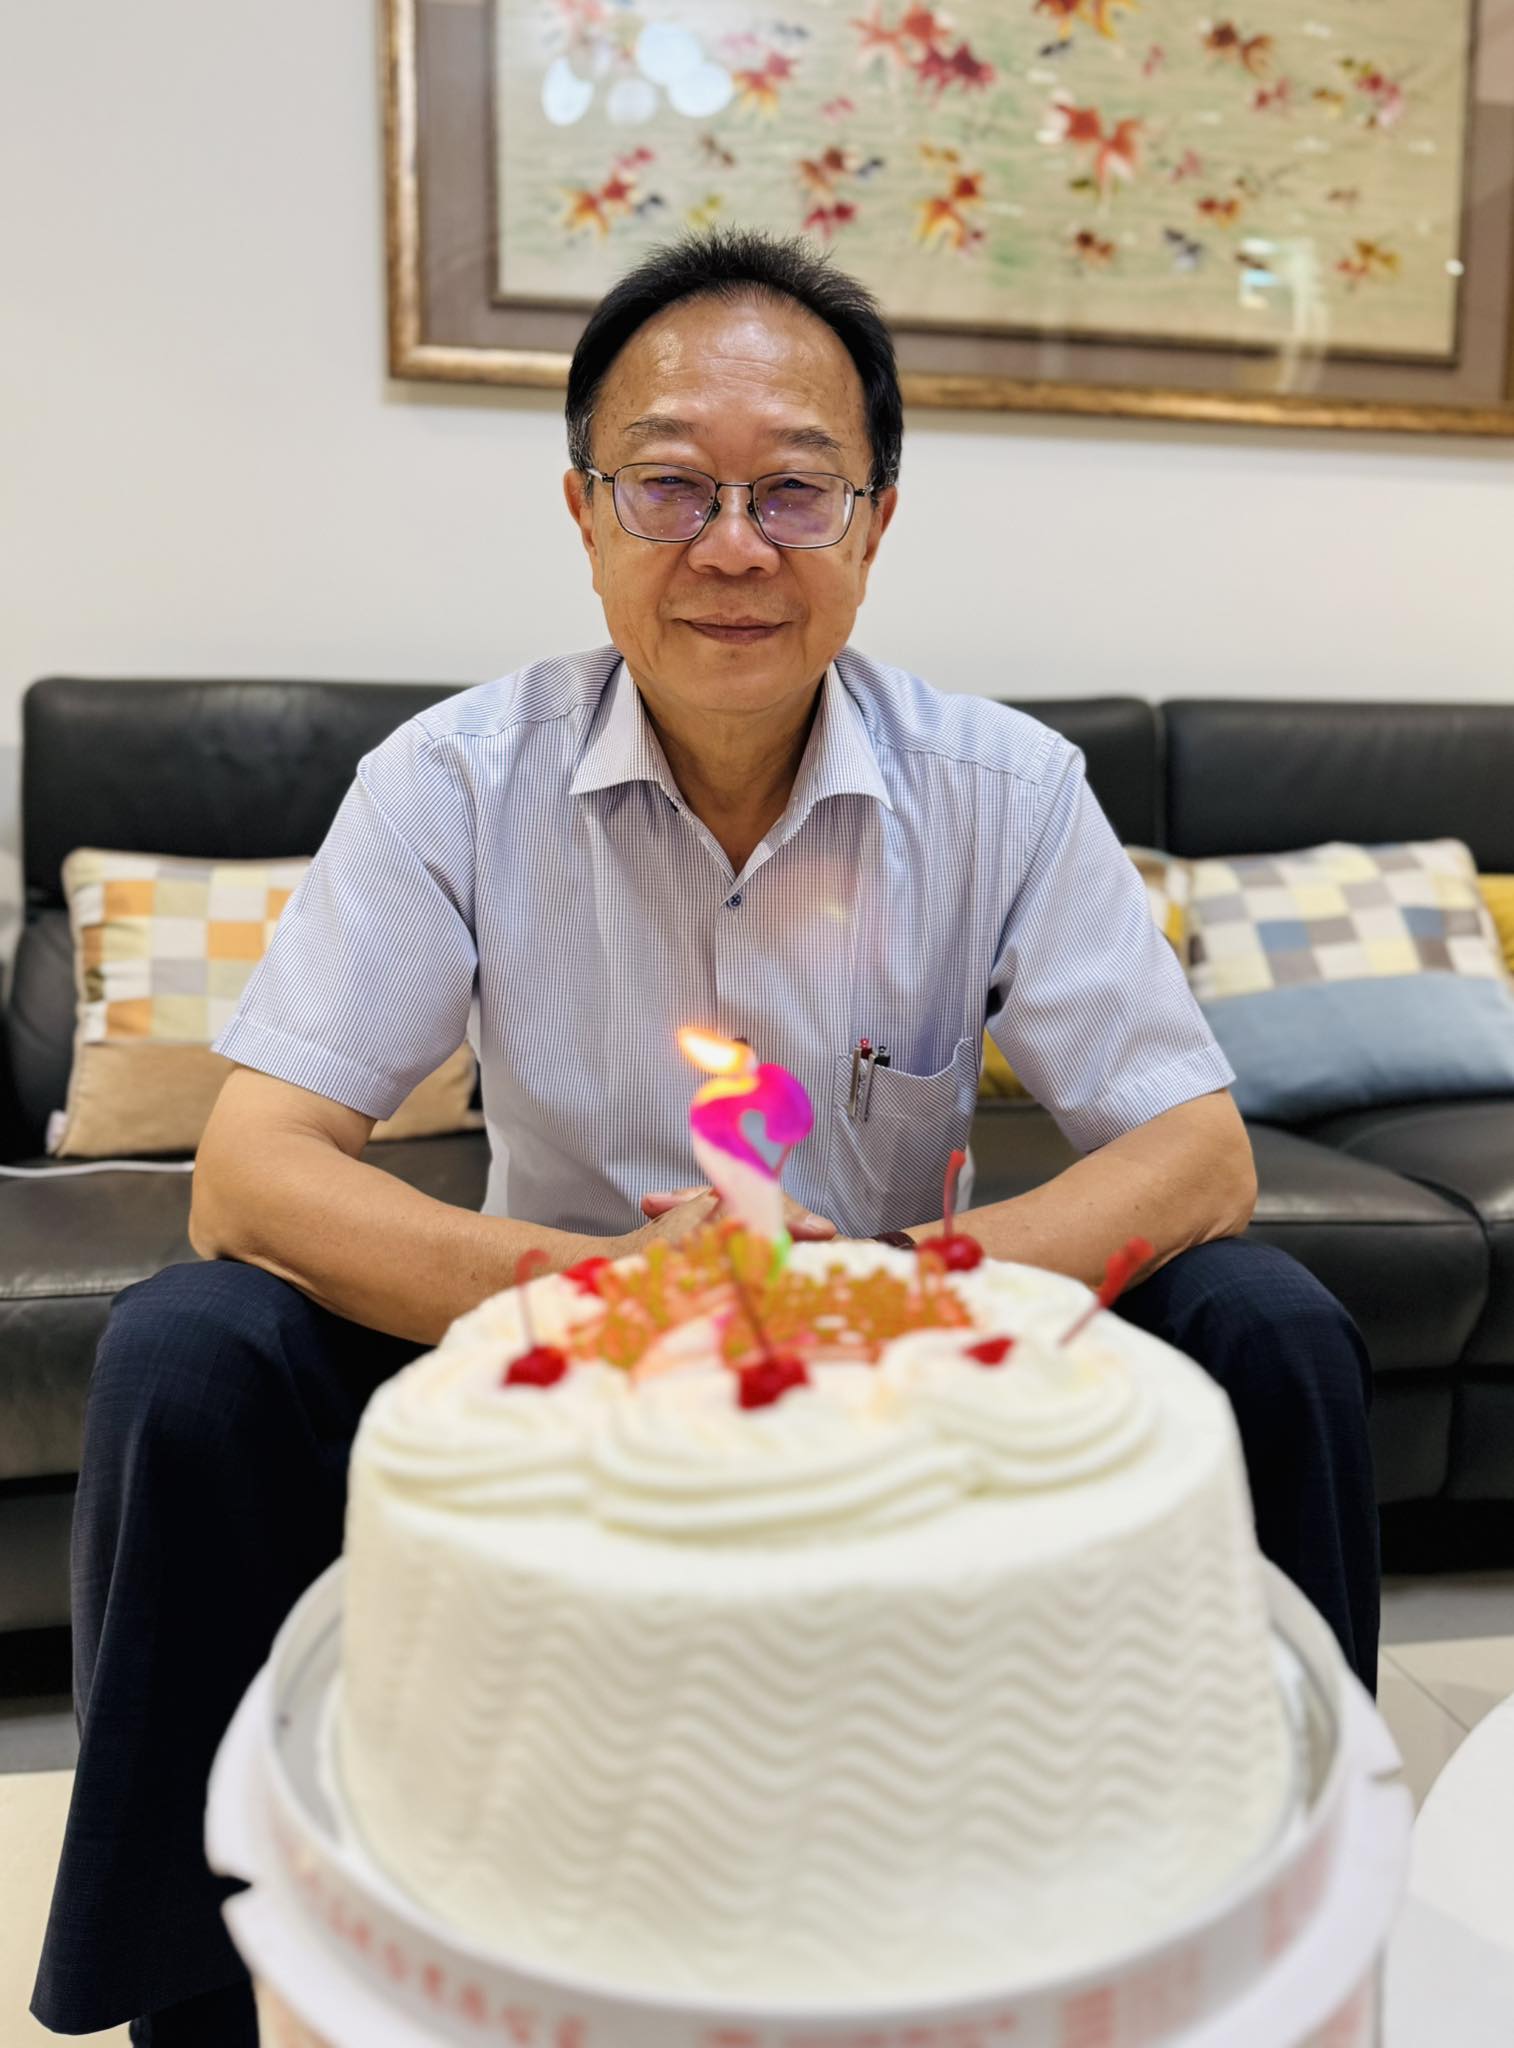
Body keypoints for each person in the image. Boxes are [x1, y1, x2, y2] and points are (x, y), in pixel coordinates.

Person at [33, 230, 1378, 2045]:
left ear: (874, 524)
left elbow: (1194, 1155)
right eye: (668, 485)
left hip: (901, 1354)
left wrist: (889, 1289)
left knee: (1274, 1324)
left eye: (794, 490)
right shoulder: (450, 783)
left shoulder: (1003, 792)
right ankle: (187, 2000)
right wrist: (603, 1293)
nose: (732, 546)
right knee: (186, 1350)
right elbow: (250, 1174)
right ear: (582, 514)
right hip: (546, 1346)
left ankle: (1278, 1908)